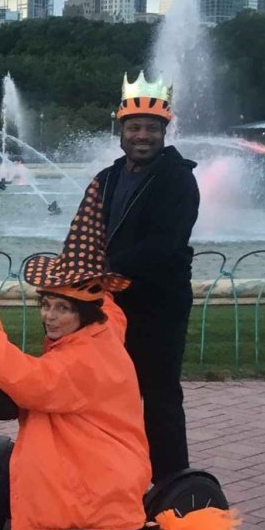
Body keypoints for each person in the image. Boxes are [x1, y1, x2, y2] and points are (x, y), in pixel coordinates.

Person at [0, 200, 238, 530]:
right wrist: (94, 276)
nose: (49, 316)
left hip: (92, 473)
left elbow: (31, 382)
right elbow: (110, 306)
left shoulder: (82, 361)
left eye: (62, 309)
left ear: (84, 314)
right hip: (107, 456)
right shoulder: (105, 329)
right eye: (46, 304)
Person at [91, 72, 199, 481]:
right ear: (120, 130)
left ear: (164, 132)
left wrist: (106, 269)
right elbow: (86, 232)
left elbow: (165, 244)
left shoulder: (178, 179)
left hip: (158, 307)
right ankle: (119, 476)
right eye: (134, 127)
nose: (142, 136)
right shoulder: (107, 178)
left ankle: (173, 485)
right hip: (110, 307)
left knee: (159, 399)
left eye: (151, 129)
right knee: (110, 398)